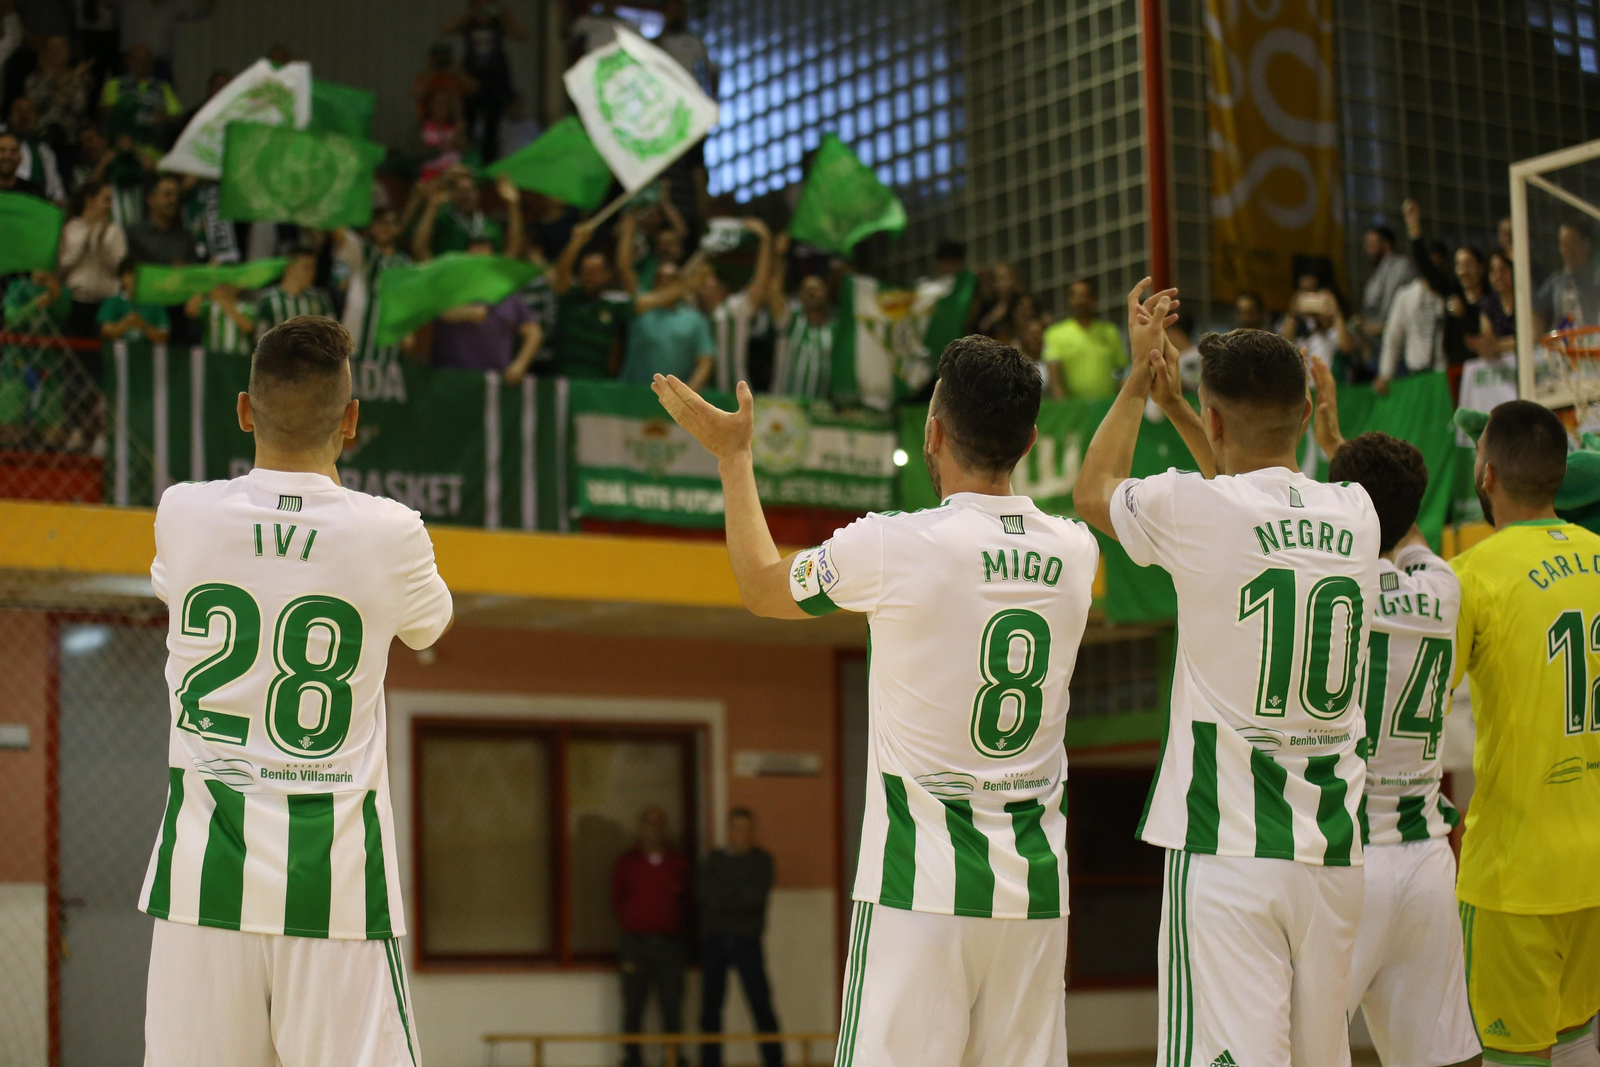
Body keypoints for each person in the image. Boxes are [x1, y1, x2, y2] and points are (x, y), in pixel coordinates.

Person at [652, 334, 1099, 1067]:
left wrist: (734, 459)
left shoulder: (894, 544)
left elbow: (763, 585)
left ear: (933, 432)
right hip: (1036, 895)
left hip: (917, 886)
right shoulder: (1076, 553)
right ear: (1029, 440)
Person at [139, 315, 452, 1066]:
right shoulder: (391, 531)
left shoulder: (182, 513)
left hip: (201, 886)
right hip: (335, 886)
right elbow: (428, 628)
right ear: (352, 421)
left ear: (245, 411)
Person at [1075, 297, 1380, 1067]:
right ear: (1309, 412)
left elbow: (1094, 489)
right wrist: (1186, 408)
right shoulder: (1357, 512)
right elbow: (1248, 502)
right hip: (1333, 854)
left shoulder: (1195, 508)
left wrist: (1139, 387)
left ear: (1214, 422)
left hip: (1229, 848)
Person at [1307, 361, 1484, 1067]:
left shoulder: (1341, 585)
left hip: (1350, 858)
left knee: (1296, 1050)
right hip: (1427, 860)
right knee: (1438, 1058)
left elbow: (1353, 528)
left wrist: (1334, 459)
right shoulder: (1442, 585)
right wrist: (1343, 453)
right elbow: (1395, 522)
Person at [1450, 400, 1600, 1066]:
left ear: (1486, 475)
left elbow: (1416, 701)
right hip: (1593, 864)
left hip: (1517, 875)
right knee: (1577, 1050)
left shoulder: (1473, 576)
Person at [699, 808, 782, 1067]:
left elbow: (754, 898)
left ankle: (774, 1061)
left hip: (748, 942)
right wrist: (733, 899)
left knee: (761, 1004)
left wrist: (725, 901)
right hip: (715, 941)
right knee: (711, 1007)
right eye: (736, 828)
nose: (740, 835)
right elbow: (705, 895)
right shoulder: (713, 860)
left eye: (746, 829)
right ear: (729, 831)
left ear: (752, 832)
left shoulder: (762, 861)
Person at [610, 806, 691, 1067]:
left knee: (671, 1004)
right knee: (633, 1005)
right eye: (648, 822)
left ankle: (673, 1058)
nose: (654, 828)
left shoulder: (678, 862)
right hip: (635, 945)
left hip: (669, 945)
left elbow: (690, 900)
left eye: (659, 823)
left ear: (665, 828)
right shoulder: (627, 862)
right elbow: (615, 900)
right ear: (639, 827)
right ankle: (632, 1059)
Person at [431, 238, 542, 381]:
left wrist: (519, 365)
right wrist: (466, 313)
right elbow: (436, 312)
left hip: (494, 382)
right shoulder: (451, 288)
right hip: (451, 379)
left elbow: (534, 333)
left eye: (484, 258)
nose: (480, 262)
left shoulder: (508, 294)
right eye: (474, 258)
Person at [442, 0, 528, 163]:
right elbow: (445, 29)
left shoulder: (499, 22)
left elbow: (523, 34)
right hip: (471, 79)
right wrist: (469, 13)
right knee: (468, 124)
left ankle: (489, 166)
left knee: (492, 128)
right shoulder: (469, 22)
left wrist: (505, 14)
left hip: (495, 80)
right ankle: (466, 164)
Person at [698, 217, 774, 392]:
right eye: (703, 287)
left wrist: (765, 241)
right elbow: (682, 279)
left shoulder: (733, 309)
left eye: (712, 287)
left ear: (723, 291)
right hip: (704, 394)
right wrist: (705, 249)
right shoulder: (695, 312)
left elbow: (760, 282)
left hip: (735, 394)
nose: (706, 291)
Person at [548, 221, 633, 378]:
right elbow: (561, 271)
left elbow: (626, 271)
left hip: (599, 381)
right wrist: (576, 242)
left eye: (594, 272)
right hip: (563, 378)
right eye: (584, 272)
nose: (588, 278)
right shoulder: (570, 297)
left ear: (608, 275)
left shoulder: (615, 304)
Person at [339, 206, 412, 364]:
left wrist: (407, 330)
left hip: (388, 353)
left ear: (398, 228)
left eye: (390, 223)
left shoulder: (405, 264)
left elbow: (406, 301)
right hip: (354, 346)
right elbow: (338, 233)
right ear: (372, 227)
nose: (384, 228)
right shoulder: (361, 252)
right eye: (379, 223)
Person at [57, 179, 127, 338]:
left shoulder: (114, 232)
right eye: (106, 200)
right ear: (90, 200)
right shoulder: (70, 228)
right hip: (74, 302)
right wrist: (84, 244)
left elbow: (120, 270)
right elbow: (60, 269)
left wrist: (103, 245)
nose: (110, 206)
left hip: (105, 304)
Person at [1043, 276, 1125, 400]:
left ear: (1093, 299)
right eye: (1076, 296)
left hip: (1108, 405)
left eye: (1085, 295)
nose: (1081, 301)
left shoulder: (1110, 331)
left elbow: (1123, 369)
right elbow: (1054, 374)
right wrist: (1062, 406)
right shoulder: (1054, 334)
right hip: (1074, 409)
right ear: (1069, 299)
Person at [99, 44, 183, 159]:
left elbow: (178, 117)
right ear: (127, 61)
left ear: (151, 63)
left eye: (146, 58)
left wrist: (166, 118)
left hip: (154, 151)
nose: (141, 62)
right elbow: (104, 114)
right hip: (122, 150)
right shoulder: (115, 84)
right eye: (137, 58)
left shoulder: (163, 87)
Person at [1376, 265, 1447, 395]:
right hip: (1416, 375)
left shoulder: (1447, 291)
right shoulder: (1405, 295)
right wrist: (1385, 374)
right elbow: (1393, 337)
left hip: (1445, 375)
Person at [1354, 225, 1417, 370]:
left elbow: (1411, 308)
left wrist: (1380, 327)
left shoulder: (1403, 266)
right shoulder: (1373, 277)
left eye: (1372, 243)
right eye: (1366, 245)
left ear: (1387, 244)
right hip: (1376, 353)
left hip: (1400, 352)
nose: (1367, 249)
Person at [770, 261, 835, 399]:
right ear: (800, 295)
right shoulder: (791, 320)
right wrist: (780, 257)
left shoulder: (835, 329)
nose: (811, 291)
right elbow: (773, 291)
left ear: (827, 293)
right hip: (785, 407)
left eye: (816, 288)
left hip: (820, 409)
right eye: (806, 289)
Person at [114, 0, 216, 83]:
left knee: (164, 102)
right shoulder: (128, 3)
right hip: (129, 65)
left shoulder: (172, 5)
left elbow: (200, 10)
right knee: (123, 102)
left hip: (159, 65)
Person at [23, 34, 92, 156]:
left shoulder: (79, 79)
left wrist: (71, 80)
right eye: (52, 48)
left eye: (60, 48)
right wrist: (56, 83)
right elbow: (32, 105)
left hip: (69, 140)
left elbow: (79, 107)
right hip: (38, 138)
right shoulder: (34, 78)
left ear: (68, 53)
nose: (56, 52)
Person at [413, 168, 505, 258]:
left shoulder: (491, 227)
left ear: (479, 193)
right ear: (451, 194)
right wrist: (433, 205)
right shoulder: (441, 221)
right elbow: (419, 249)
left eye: (471, 190)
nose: (466, 195)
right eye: (460, 190)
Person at [1533, 220, 1600, 335]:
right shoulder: (1556, 281)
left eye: (1574, 243)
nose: (1569, 250)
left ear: (1586, 245)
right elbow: (1536, 309)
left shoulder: (1597, 276)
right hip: (1562, 346)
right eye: (1564, 244)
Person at [255, 248, 334, 337]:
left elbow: (333, 334)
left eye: (314, 268)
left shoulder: (319, 299)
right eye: (307, 267)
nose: (312, 273)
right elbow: (259, 337)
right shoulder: (268, 299)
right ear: (290, 267)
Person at [6, 96, 68, 203]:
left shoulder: (45, 152)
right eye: (18, 110)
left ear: (36, 118)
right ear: (9, 117)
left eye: (29, 112)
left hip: (34, 208)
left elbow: (56, 191)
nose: (23, 116)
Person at [125, 173, 196, 265]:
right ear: (151, 199)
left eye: (176, 195)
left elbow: (194, 270)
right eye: (168, 195)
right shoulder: (134, 235)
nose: (173, 200)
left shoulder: (186, 238)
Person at [97, 256, 169, 343]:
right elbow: (106, 332)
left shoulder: (156, 304)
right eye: (130, 274)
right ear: (121, 278)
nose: (134, 279)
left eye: (139, 275)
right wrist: (126, 323)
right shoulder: (112, 303)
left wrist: (143, 325)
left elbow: (163, 338)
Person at [185, 283, 254, 357]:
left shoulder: (246, 308)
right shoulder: (209, 306)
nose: (227, 287)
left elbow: (248, 328)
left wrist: (221, 299)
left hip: (238, 357)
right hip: (212, 356)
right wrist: (202, 287)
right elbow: (191, 312)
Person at [0, 128, 43, 197]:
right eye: (2, 150)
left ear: (20, 158)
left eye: (13, 151)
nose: (7, 156)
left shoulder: (33, 192)